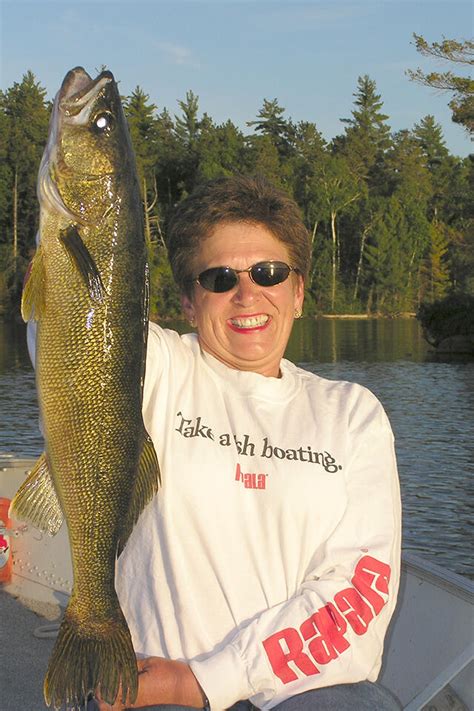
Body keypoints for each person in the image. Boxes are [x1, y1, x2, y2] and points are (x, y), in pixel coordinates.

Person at [94, 175, 402, 710]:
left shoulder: (352, 414)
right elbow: (77, 324)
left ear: (299, 291)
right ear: (189, 304)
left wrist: (206, 680)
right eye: (218, 277)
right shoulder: (158, 370)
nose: (246, 293)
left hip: (304, 692)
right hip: (152, 686)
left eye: (269, 273)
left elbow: (360, 588)